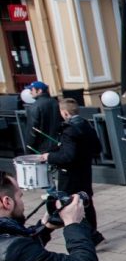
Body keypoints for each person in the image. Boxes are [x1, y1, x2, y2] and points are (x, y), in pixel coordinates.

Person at [40, 98, 105, 246]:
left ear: (64, 113)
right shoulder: (86, 125)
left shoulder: (69, 130)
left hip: (70, 175)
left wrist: (49, 156)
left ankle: (90, 236)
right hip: (84, 171)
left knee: (67, 204)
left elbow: (67, 156)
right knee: (86, 203)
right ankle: (93, 235)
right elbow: (97, 148)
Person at [25, 80, 60, 154]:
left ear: (39, 91)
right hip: (58, 144)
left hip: (42, 148)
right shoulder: (56, 102)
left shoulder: (34, 107)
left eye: (32, 90)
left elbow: (32, 131)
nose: (30, 92)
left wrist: (28, 149)